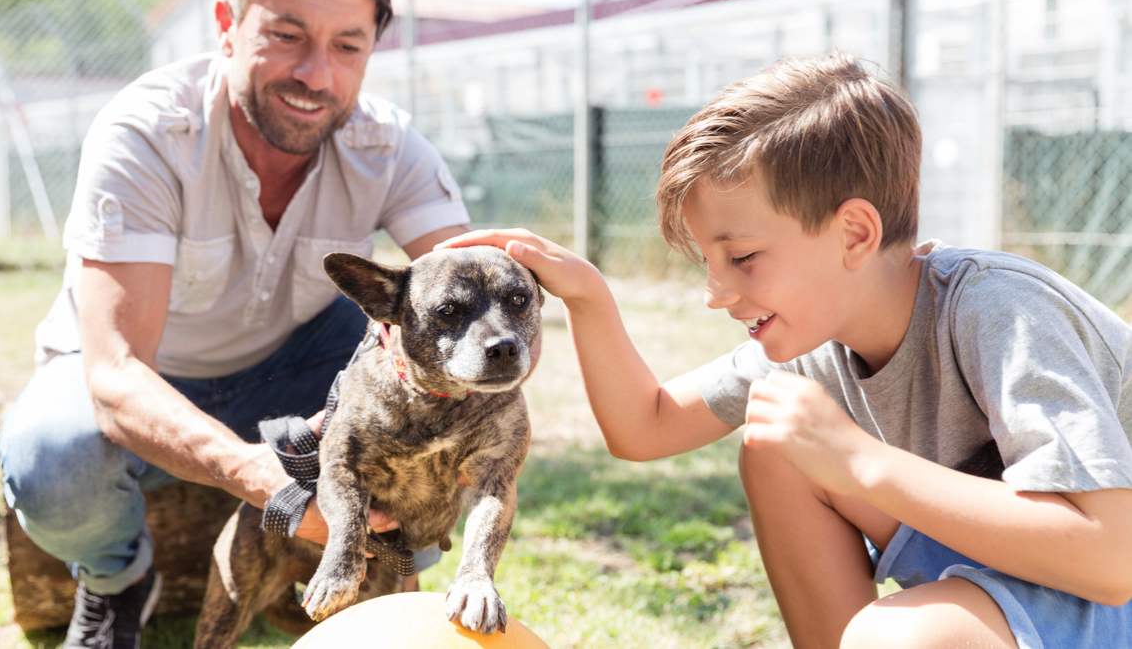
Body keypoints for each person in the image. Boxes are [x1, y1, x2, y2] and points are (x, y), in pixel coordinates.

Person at [440, 51, 1132, 649]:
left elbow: (1108, 556)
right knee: (776, 446)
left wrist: (861, 462)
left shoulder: (997, 309)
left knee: (897, 636)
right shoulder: (815, 335)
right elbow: (644, 426)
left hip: (1108, 577)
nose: (716, 292)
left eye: (741, 256)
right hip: (1025, 570)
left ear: (854, 234)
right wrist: (587, 295)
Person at [0, 0, 471, 647]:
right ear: (227, 21)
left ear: (374, 45)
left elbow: (474, 297)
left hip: (296, 376)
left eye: (348, 45)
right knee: (52, 463)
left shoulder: (391, 144)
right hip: (133, 378)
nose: (317, 75)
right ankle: (120, 582)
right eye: (286, 36)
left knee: (448, 390)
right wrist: (271, 485)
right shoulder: (149, 132)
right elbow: (118, 374)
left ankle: (351, 580)